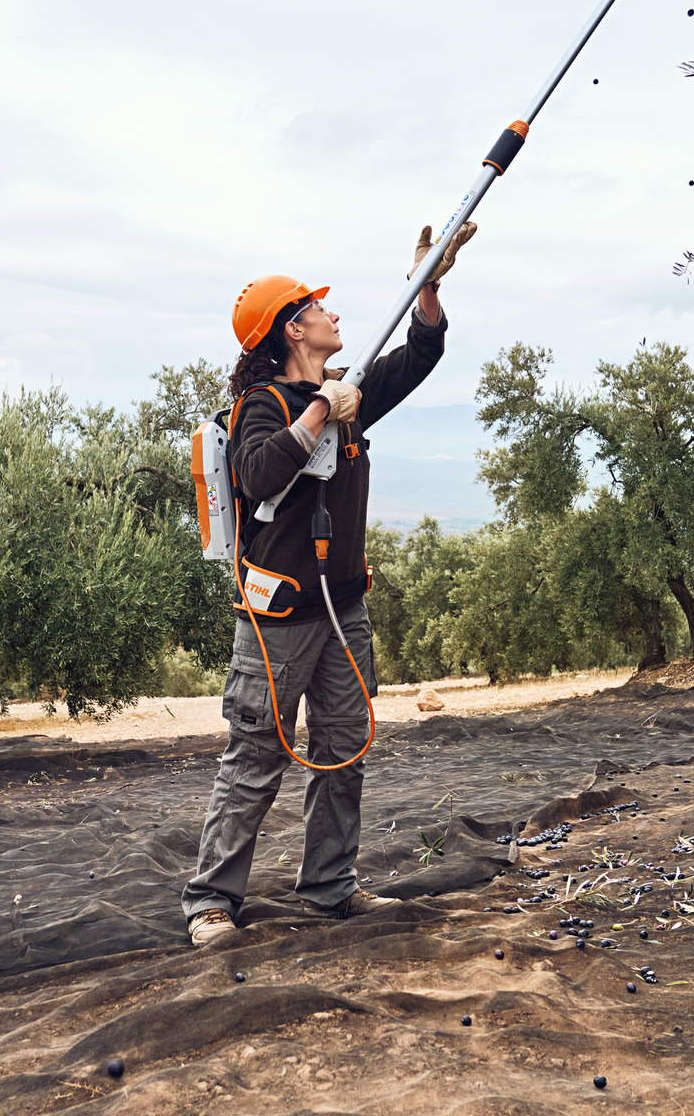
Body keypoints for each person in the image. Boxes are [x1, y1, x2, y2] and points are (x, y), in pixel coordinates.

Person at [182, 222, 475, 945]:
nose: (334, 315)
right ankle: (212, 901)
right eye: (319, 308)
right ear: (291, 331)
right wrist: (323, 407)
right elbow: (258, 473)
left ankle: (330, 888)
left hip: (344, 609)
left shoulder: (348, 393)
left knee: (344, 754)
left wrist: (429, 286)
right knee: (254, 760)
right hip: (278, 622)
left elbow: (423, 355)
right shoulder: (266, 406)